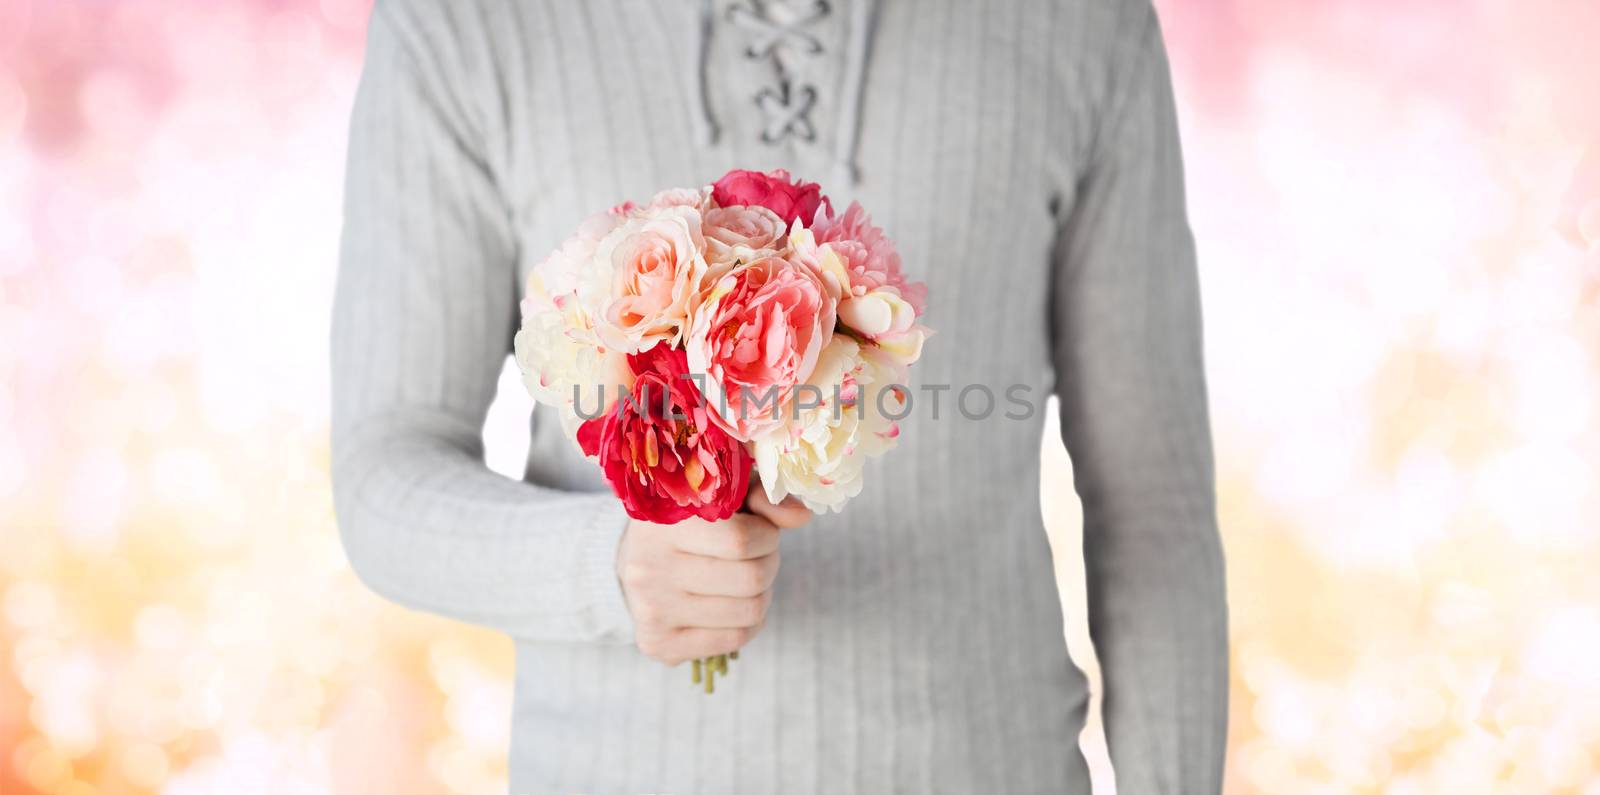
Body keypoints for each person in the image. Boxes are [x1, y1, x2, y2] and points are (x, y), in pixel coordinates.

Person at [330, 0, 1228, 792]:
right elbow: (385, 470)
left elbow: (1155, 507)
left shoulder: (1085, 21)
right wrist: (605, 565)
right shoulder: (460, 21)